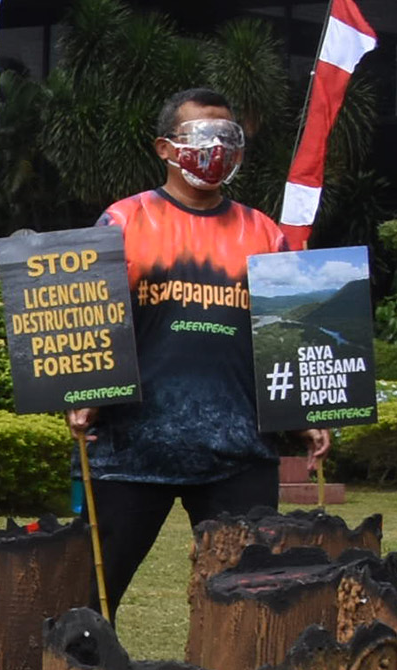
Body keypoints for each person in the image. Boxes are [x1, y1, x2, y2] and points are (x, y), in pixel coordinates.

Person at [71, 88, 334, 612]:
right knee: (89, 597)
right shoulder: (121, 224)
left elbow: (281, 334)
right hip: (128, 451)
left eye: (227, 138)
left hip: (239, 452)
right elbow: (89, 320)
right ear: (165, 148)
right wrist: (81, 393)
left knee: (250, 605)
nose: (215, 152)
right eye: (200, 139)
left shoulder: (266, 233)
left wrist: (304, 412)